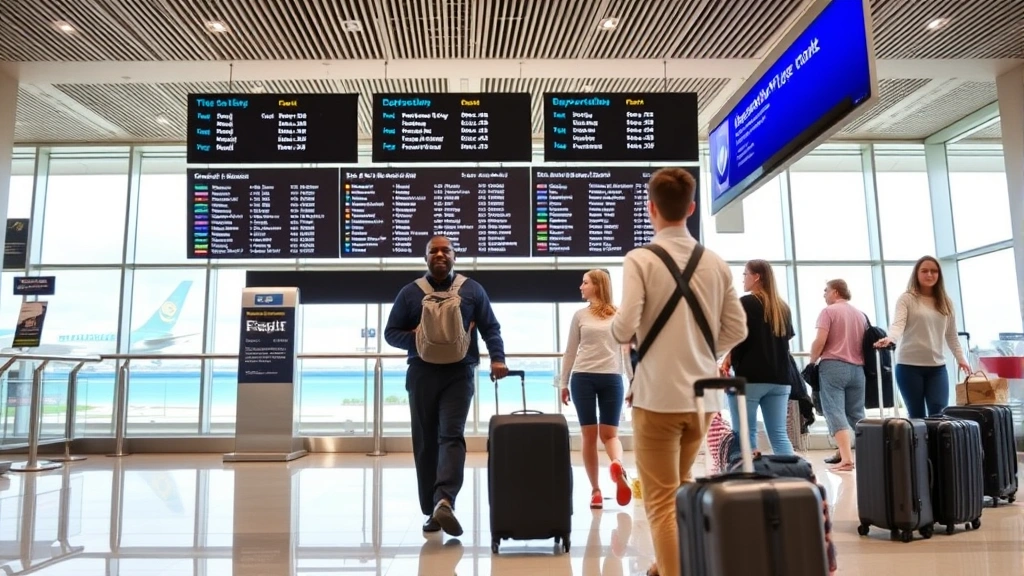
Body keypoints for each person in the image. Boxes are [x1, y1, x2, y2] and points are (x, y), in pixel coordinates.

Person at [610, 168, 748, 576]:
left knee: (660, 500)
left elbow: (623, 325)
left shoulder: (640, 258)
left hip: (658, 397)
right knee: (683, 481)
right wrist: (701, 351)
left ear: (651, 208)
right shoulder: (715, 262)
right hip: (704, 397)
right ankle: (670, 563)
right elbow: (737, 327)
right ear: (690, 208)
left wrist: (631, 333)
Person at [384, 235, 508, 537]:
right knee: (426, 441)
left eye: (445, 250)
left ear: (455, 255)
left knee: (450, 436)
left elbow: (491, 327)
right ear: (425, 257)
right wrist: (415, 338)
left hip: (459, 374)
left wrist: (497, 359)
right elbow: (390, 333)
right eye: (433, 251)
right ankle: (434, 510)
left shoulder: (472, 290)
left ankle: (444, 500)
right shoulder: (410, 293)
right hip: (421, 373)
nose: (439, 255)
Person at [559, 269, 634, 509]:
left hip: (586, 378)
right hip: (608, 378)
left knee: (589, 437)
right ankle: (617, 464)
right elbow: (626, 353)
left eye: (585, 283)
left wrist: (563, 382)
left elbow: (570, 351)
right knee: (610, 435)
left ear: (598, 286)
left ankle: (596, 491)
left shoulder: (585, 315)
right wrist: (632, 383)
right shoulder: (612, 315)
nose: (581, 287)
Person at [874, 256, 971, 417]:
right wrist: (891, 338)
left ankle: (937, 443)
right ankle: (919, 443)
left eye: (934, 271)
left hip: (937, 368)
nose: (929, 275)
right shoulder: (907, 299)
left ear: (939, 275)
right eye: (924, 271)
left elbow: (952, 335)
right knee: (917, 414)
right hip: (909, 367)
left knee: (939, 412)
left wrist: (961, 359)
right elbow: (898, 324)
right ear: (916, 274)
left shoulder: (946, 302)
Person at [720, 259, 796, 456]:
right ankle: (791, 479)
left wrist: (727, 358)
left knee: (744, 436)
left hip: (750, 379)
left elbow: (735, 336)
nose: (743, 278)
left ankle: (749, 481)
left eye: (745, 274)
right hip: (780, 379)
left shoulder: (745, 303)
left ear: (756, 277)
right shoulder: (782, 308)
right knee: (779, 435)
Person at [809, 279, 867, 472]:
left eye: (826, 290)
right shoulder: (860, 315)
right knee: (857, 414)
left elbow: (820, 341)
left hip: (833, 366)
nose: (824, 294)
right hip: (858, 370)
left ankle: (847, 459)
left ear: (835, 292)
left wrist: (811, 361)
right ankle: (867, 453)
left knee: (834, 411)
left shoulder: (828, 312)